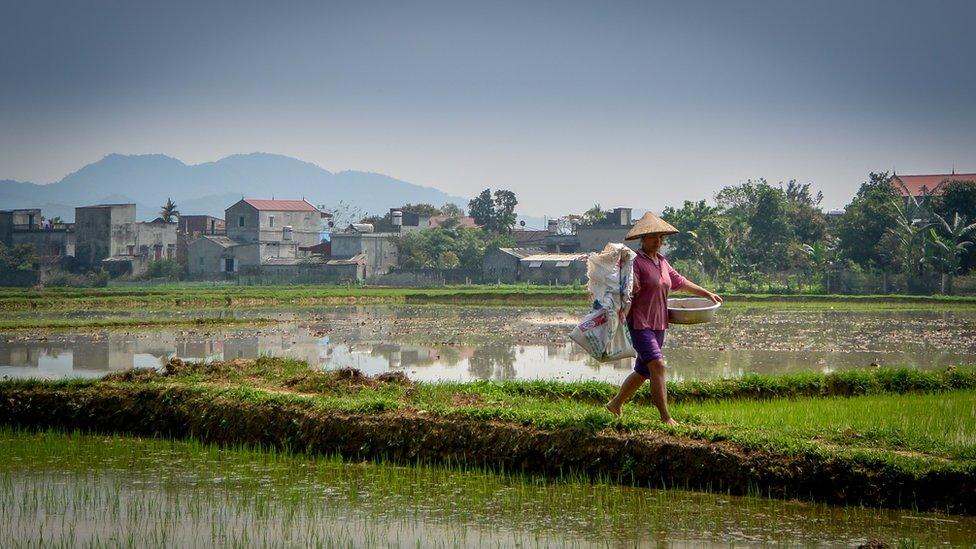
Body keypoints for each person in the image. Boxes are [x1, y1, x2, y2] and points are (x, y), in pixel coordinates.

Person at [605, 212, 722, 424]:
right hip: (640, 324)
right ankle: (666, 417)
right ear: (643, 239)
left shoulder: (662, 262)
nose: (658, 242)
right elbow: (626, 290)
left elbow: (680, 282)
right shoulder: (635, 263)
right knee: (658, 365)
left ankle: (615, 404)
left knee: (643, 370)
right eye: (653, 237)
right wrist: (630, 291)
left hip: (660, 323)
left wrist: (707, 293)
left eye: (661, 238)